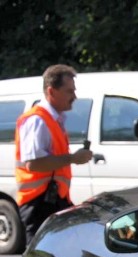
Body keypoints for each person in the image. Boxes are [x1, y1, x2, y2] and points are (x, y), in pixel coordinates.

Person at [14, 64, 93, 245]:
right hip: (38, 202)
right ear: (52, 91)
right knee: (40, 255)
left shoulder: (53, 119)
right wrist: (73, 159)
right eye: (69, 91)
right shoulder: (36, 120)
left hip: (53, 199)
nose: (74, 96)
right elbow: (33, 164)